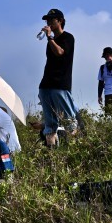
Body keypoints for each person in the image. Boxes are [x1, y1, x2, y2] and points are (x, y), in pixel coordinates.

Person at [38, 8, 79, 147]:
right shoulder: (51, 40)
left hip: (60, 85)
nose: (48, 22)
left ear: (60, 21)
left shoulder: (68, 37)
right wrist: (50, 39)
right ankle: (52, 154)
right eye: (47, 20)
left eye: (51, 19)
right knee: (49, 124)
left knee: (69, 122)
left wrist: (50, 37)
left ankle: (74, 151)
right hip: (46, 85)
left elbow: (60, 52)